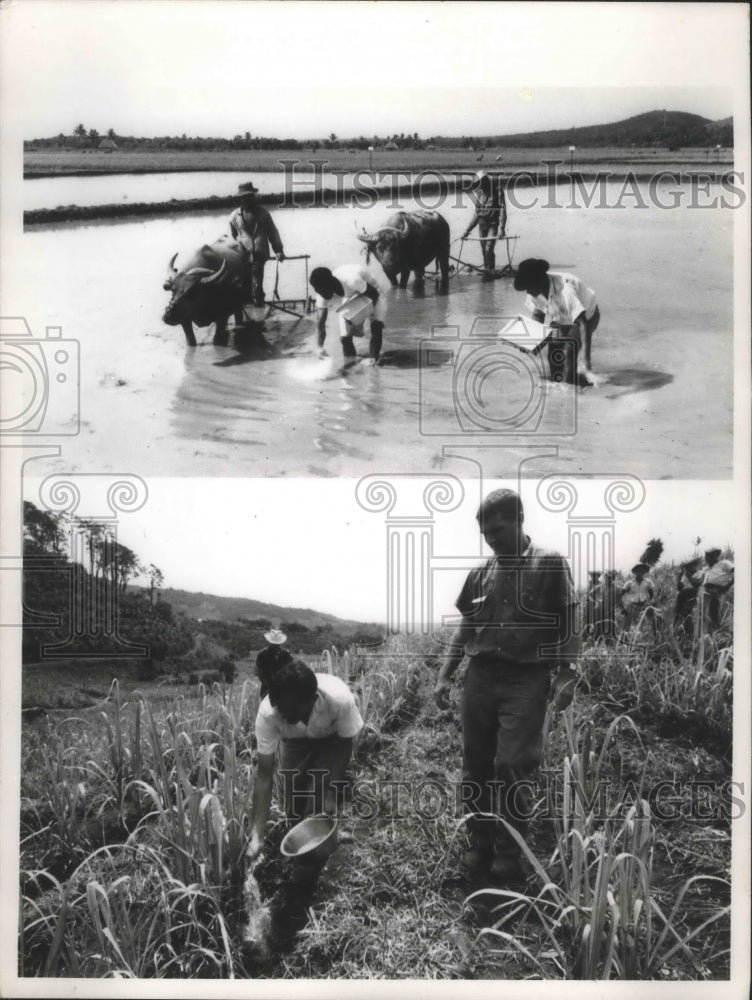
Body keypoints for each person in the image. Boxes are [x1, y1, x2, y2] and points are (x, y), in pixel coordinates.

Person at [433, 489, 580, 883]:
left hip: (526, 678)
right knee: (475, 767)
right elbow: (466, 627)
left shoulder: (549, 564)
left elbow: (569, 620)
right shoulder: (481, 572)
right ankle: (479, 841)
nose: (491, 539)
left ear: (519, 520)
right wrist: (445, 675)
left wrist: (567, 673)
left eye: (497, 530)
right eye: (485, 533)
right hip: (480, 677)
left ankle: (508, 855)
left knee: (513, 766)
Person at [247, 660, 364, 881]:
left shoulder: (338, 699)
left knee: (323, 796)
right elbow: (264, 776)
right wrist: (256, 835)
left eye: (291, 710)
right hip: (294, 743)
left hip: (332, 739)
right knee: (293, 796)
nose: (284, 716)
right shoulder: (269, 714)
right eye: (280, 709)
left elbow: (345, 744)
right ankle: (300, 848)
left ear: (312, 699)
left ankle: (326, 848)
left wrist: (331, 791)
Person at [513, 258, 600, 386]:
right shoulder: (535, 291)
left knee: (570, 348)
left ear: (540, 282)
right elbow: (538, 315)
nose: (528, 292)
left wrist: (586, 360)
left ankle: (574, 385)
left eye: (530, 287)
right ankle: (560, 383)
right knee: (554, 350)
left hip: (587, 315)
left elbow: (582, 324)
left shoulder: (565, 291)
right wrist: (530, 344)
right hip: (561, 316)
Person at [309, 264, 386, 367]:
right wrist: (319, 347)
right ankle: (351, 366)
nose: (322, 295)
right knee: (345, 337)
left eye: (323, 291)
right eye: (319, 291)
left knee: (376, 325)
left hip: (373, 290)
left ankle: (373, 361)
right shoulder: (320, 291)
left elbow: (374, 295)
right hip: (351, 294)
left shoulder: (352, 280)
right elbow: (320, 322)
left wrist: (358, 314)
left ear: (331, 284)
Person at [227, 183, 285, 308]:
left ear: (253, 196)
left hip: (260, 255)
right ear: (240, 198)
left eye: (250, 196)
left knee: (257, 286)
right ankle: (250, 312)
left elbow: (273, 233)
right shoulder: (234, 216)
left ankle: (259, 312)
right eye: (244, 197)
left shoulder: (263, 213)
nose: (247, 199)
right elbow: (230, 238)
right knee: (243, 287)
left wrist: (278, 250)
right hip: (242, 257)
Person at [461, 170, 507, 272]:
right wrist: (467, 231)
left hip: (492, 225)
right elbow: (477, 215)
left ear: (486, 181)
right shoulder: (480, 194)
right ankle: (489, 271)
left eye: (481, 183)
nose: (480, 186)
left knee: (488, 249)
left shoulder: (498, 191)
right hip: (482, 225)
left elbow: (503, 210)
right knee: (484, 251)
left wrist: (502, 228)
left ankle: (489, 274)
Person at [697, 547, 734, 633]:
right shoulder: (706, 569)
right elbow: (698, 580)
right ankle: (706, 636)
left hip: (716, 592)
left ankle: (716, 635)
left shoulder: (724, 563)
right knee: (703, 616)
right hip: (705, 592)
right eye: (706, 555)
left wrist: (727, 586)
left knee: (714, 614)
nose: (707, 558)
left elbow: (736, 572)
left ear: (716, 555)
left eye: (710, 555)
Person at [255, 628, 293, 700]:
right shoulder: (262, 654)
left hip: (282, 688)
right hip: (266, 689)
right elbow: (259, 672)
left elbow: (291, 670)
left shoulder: (285, 655)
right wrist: (269, 685)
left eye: (277, 644)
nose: (275, 646)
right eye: (273, 644)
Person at [620, 563, 655, 629]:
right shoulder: (629, 583)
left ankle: (639, 639)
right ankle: (624, 639)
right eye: (638, 571)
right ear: (635, 572)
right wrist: (622, 608)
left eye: (642, 571)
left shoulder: (648, 582)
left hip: (643, 607)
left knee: (642, 626)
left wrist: (650, 603)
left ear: (644, 572)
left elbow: (651, 594)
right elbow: (620, 595)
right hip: (630, 607)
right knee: (627, 626)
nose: (640, 573)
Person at [673, 558, 702, 636]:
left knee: (686, 613)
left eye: (690, 566)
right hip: (682, 595)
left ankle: (689, 633)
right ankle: (676, 631)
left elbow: (697, 584)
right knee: (678, 613)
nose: (688, 568)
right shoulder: (684, 576)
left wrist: (689, 576)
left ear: (695, 566)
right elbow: (679, 587)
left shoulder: (699, 573)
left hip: (692, 594)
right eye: (687, 567)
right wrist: (679, 578)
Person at [592, 569, 619, 641]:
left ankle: (610, 641)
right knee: (599, 625)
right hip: (600, 609)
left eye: (610, 578)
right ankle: (597, 641)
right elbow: (591, 594)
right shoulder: (600, 586)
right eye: (607, 577)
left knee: (610, 625)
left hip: (610, 609)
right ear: (604, 578)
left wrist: (616, 605)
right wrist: (596, 601)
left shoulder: (616, 588)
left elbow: (619, 598)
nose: (608, 579)